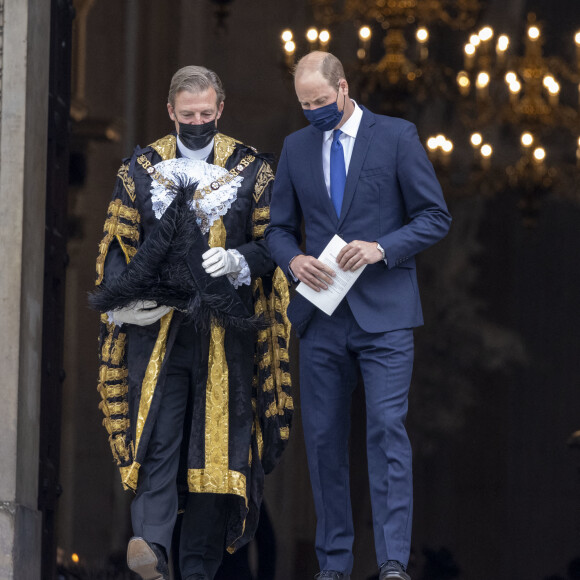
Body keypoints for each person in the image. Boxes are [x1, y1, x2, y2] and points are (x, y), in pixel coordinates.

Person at [92, 65, 292, 580]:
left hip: (228, 338)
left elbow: (276, 242)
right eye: (188, 115)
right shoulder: (139, 168)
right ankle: (152, 549)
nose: (197, 122)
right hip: (160, 332)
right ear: (170, 113)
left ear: (220, 110)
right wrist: (124, 296)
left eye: (206, 113)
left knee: (218, 455)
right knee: (157, 435)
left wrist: (238, 260)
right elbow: (118, 242)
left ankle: (198, 569)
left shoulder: (253, 170)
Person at [265, 52, 451, 580]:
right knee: (323, 439)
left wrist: (381, 248)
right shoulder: (296, 147)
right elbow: (279, 228)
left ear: (343, 88)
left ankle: (392, 561)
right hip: (322, 315)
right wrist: (293, 259)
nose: (314, 112)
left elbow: (435, 216)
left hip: (386, 314)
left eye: (321, 102)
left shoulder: (395, 136)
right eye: (305, 105)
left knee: (387, 431)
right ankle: (334, 565)